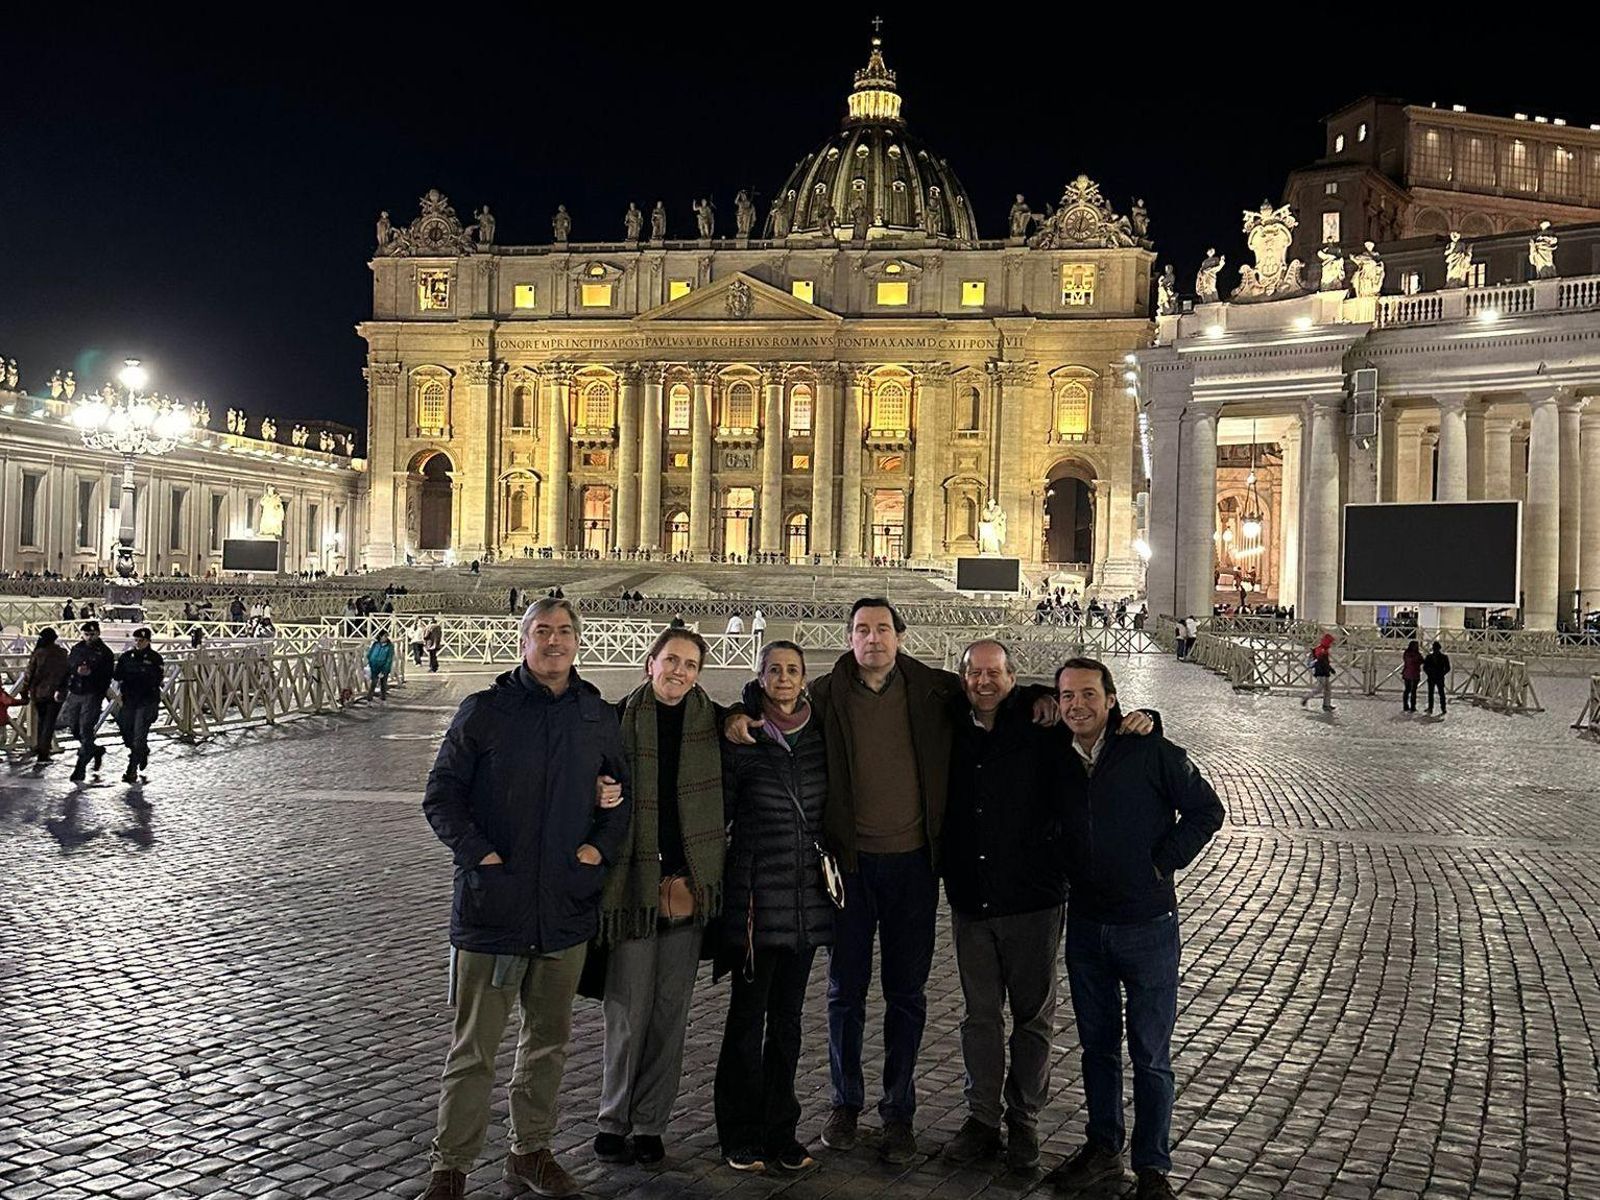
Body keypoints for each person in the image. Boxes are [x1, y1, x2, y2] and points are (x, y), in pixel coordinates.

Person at [723, 599, 1054, 1164]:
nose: (872, 638)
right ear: (849, 638)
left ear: (900, 636)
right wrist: (738, 708)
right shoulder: (825, 693)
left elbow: (993, 689)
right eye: (861, 629)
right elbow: (772, 699)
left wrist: (1043, 694)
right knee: (844, 992)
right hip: (849, 867)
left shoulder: (935, 689)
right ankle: (845, 1103)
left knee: (907, 995)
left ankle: (898, 1111)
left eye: (882, 629)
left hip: (914, 866)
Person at [419, 599, 632, 1200]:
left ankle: (530, 1151)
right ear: (523, 641)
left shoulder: (596, 715)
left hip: (563, 908)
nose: (554, 641)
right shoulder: (484, 711)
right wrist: (481, 857)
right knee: (473, 1050)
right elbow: (441, 795)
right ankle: (450, 1168)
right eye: (543, 631)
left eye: (564, 632)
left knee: (548, 1045)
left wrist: (596, 851)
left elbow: (622, 798)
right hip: (494, 908)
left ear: (577, 641)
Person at [942, 641, 1155, 1172]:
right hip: (971, 896)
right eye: (974, 673)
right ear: (962, 678)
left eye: (995, 672)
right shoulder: (947, 721)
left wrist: (1150, 717)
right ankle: (982, 1118)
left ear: (1012, 677)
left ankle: (1024, 1120)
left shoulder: (1042, 720)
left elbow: (1097, 723)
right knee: (979, 1017)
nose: (984, 682)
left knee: (1032, 1018)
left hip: (1033, 898)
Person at [1046, 658, 1224, 1200]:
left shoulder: (1149, 751)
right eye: (1067, 696)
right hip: (1087, 923)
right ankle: (1103, 1149)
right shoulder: (1056, 755)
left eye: (1088, 694)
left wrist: (1162, 862)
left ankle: (1152, 1167)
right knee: (1097, 1048)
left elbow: (1206, 810)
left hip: (1147, 925)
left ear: (1111, 699)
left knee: (1149, 1053)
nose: (1078, 705)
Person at [593, 628, 730, 1168]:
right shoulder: (615, 719)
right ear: (650, 663)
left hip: (688, 887)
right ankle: (613, 1118)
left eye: (690, 664)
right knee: (626, 1010)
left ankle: (650, 1123)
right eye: (671, 660)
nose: (679, 671)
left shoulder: (715, 723)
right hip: (632, 887)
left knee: (671, 1013)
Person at [714, 641, 833, 1173]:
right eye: (774, 670)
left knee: (788, 1022)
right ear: (760, 678)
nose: (784, 678)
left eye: (792, 670)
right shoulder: (742, 736)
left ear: (804, 679)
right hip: (756, 902)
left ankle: (781, 1131)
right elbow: (720, 809)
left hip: (806, 901)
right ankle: (739, 1133)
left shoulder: (820, 735)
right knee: (747, 1019)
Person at [62, 621, 115, 782]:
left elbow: (107, 675)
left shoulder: (105, 653)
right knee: (73, 726)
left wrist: (91, 674)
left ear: (98, 633)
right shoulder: (77, 648)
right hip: (75, 691)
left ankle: (80, 767)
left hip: (92, 693)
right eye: (86, 634)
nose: (89, 637)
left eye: (92, 634)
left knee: (86, 727)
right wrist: (75, 672)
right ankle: (94, 750)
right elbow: (68, 667)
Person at [112, 628, 165, 784]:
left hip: (147, 700)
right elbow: (117, 675)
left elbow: (157, 678)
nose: (138, 643)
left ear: (148, 641)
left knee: (139, 735)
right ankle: (142, 751)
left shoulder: (155, 658)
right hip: (129, 700)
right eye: (136, 640)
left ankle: (132, 769)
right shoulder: (126, 657)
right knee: (125, 729)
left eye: (141, 640)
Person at [18, 628, 70, 763]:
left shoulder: (38, 653)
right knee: (49, 723)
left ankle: (39, 747)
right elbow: (67, 673)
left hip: (38, 693)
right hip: (57, 692)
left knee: (41, 721)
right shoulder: (62, 653)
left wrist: (24, 691)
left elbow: (29, 674)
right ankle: (43, 752)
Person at [1300, 633, 1335, 711]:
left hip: (1325, 671)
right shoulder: (1321, 649)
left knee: (1328, 689)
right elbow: (1321, 661)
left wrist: (1330, 668)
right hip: (1321, 672)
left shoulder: (1324, 649)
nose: (1331, 644)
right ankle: (1305, 697)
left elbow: (1325, 661)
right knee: (1319, 689)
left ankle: (1326, 705)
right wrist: (1329, 668)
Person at [1423, 640, 1452, 715]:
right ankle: (1433, 708)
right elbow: (1425, 667)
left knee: (1440, 693)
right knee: (1435, 693)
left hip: (1437, 677)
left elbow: (1448, 668)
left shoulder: (1432, 657)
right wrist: (1430, 673)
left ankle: (1442, 708)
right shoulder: (1433, 657)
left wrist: (1441, 674)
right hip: (1435, 677)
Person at [367, 630, 396, 700]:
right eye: (384, 636)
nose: (386, 638)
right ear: (380, 636)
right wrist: (370, 662)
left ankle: (383, 697)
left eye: (387, 636)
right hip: (374, 666)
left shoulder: (390, 646)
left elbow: (389, 658)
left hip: (384, 666)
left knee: (383, 683)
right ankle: (369, 698)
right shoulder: (375, 644)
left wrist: (384, 669)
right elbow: (370, 653)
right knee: (373, 682)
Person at [1401, 640, 1423, 713]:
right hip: (1414, 673)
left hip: (1408, 673)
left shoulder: (1407, 653)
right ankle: (1412, 706)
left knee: (1408, 690)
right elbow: (1421, 661)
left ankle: (1406, 705)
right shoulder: (1417, 654)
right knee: (1412, 691)